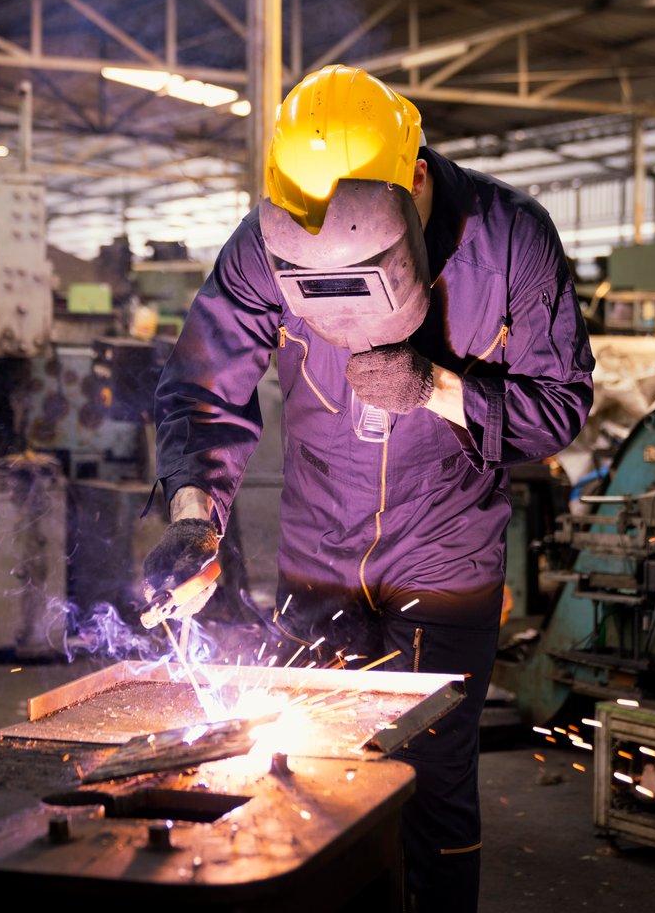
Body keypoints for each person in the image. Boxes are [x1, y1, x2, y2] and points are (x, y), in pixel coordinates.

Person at [147, 65, 593, 912]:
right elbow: (205, 387)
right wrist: (193, 518)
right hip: (318, 550)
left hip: (445, 558)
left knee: (428, 785)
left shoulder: (511, 238)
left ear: (415, 178)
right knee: (309, 771)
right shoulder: (265, 239)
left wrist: (438, 388)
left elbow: (558, 406)